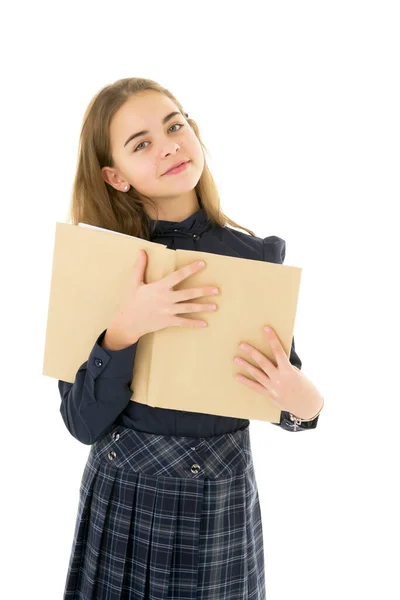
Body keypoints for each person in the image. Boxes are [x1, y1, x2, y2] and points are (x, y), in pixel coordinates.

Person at [58, 77, 324, 599]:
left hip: (217, 501)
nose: (170, 145)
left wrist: (307, 407)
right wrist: (124, 330)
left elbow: (286, 396)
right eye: (142, 144)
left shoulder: (251, 257)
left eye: (175, 126)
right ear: (115, 176)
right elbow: (80, 423)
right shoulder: (96, 263)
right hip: (123, 493)